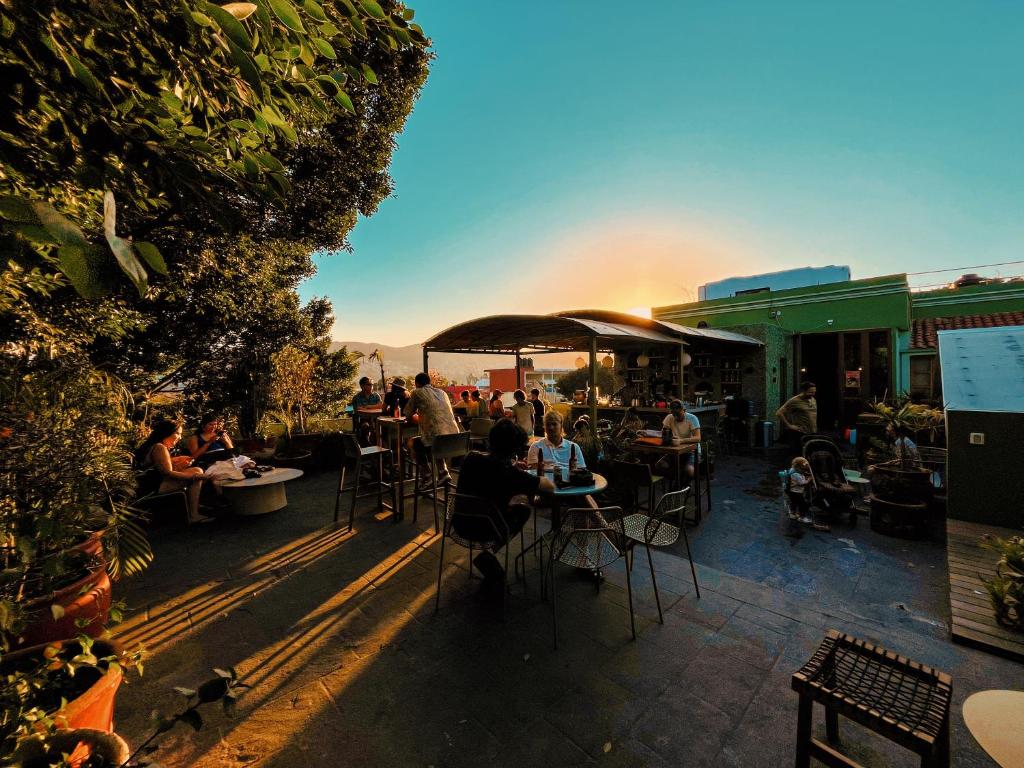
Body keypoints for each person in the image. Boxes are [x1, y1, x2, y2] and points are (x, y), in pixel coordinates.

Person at [455, 420, 555, 586]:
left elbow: (491, 469)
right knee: (523, 511)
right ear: (515, 449)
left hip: (459, 524)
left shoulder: (471, 458)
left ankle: (488, 560)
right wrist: (534, 474)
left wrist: (513, 465)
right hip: (486, 529)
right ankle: (491, 550)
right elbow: (549, 487)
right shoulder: (510, 474)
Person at [136, 420, 211, 524]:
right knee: (196, 474)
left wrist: (180, 462)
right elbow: (168, 473)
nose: (180, 437)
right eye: (177, 434)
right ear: (167, 432)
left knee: (197, 470)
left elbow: (160, 468)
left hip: (153, 483)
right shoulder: (159, 447)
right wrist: (195, 477)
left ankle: (194, 508)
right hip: (153, 487)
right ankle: (194, 515)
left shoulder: (156, 445)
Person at [404, 372, 461, 482]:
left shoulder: (417, 392)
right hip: (455, 441)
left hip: (437, 441)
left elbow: (407, 414)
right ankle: (443, 472)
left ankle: (427, 475)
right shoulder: (442, 392)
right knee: (435, 437)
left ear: (417, 383)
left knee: (413, 442)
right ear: (430, 382)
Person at [662, 399, 701, 478]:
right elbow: (663, 432)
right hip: (675, 450)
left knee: (688, 470)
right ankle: (676, 483)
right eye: (674, 414)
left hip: (692, 451)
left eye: (678, 414)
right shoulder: (670, 417)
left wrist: (681, 440)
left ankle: (682, 486)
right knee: (661, 465)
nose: (676, 416)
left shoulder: (692, 418)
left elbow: (698, 438)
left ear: (684, 410)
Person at [776, 381, 818, 453]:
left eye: (814, 392)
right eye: (810, 392)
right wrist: (789, 425)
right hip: (800, 433)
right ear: (803, 391)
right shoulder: (794, 400)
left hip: (812, 432)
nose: (812, 394)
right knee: (799, 455)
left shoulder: (813, 399)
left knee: (810, 454)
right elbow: (779, 413)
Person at [784, 456, 814, 524]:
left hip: (792, 491)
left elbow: (802, 474)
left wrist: (805, 474)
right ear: (798, 468)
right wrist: (809, 479)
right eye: (803, 470)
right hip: (797, 492)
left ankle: (792, 513)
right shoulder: (796, 475)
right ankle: (802, 517)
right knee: (802, 504)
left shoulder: (793, 470)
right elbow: (802, 483)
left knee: (794, 503)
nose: (804, 471)